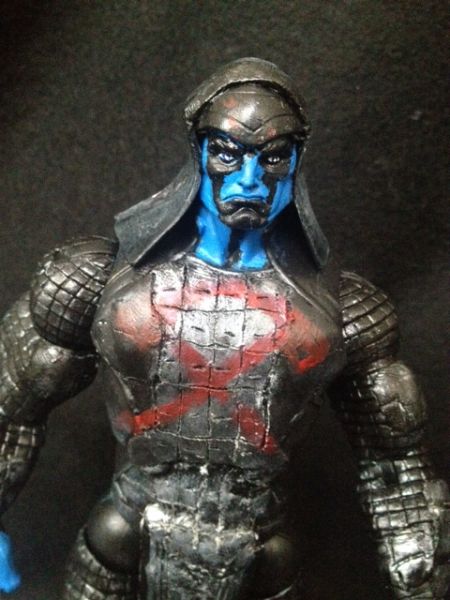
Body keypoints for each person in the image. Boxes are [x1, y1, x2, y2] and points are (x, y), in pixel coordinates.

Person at [0, 58, 448, 599]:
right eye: (228, 153)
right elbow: (12, 409)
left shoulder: (344, 311)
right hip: (122, 538)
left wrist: (419, 571)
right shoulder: (98, 279)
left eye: (273, 158)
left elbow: (396, 463)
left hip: (262, 556)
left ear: (296, 161)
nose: (249, 181)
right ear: (200, 153)